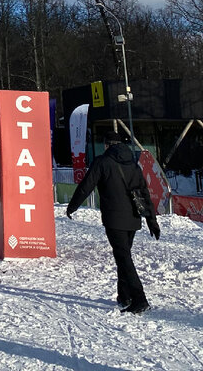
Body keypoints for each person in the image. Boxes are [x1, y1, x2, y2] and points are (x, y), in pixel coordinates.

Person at [66, 132, 159, 314]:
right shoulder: (133, 164)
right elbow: (144, 193)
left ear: (107, 145)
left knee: (124, 258)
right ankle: (124, 296)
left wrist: (72, 206)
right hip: (133, 218)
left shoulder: (102, 162)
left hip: (114, 219)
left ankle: (140, 299)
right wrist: (151, 220)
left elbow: (87, 186)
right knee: (123, 256)